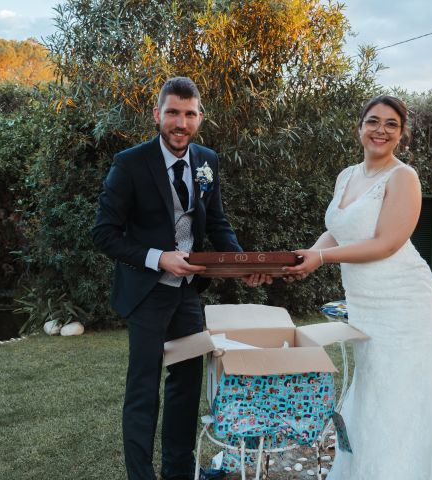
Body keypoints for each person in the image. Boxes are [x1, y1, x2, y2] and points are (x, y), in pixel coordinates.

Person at [285, 95, 432, 479]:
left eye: (391, 124)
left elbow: (386, 243)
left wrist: (321, 260)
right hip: (366, 302)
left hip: (403, 300)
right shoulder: (347, 176)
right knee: (375, 386)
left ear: (401, 134)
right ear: (359, 127)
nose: (381, 130)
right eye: (373, 121)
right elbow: (337, 229)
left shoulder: (403, 177)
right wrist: (306, 256)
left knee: (404, 392)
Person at [92, 77, 269, 480]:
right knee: (143, 391)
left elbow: (218, 223)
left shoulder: (207, 160)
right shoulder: (130, 163)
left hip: (189, 294)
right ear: (157, 115)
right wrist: (159, 259)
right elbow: (104, 233)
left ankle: (178, 473)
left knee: (186, 388)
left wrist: (240, 264)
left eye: (189, 114)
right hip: (146, 293)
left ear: (199, 118)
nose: (180, 122)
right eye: (173, 112)